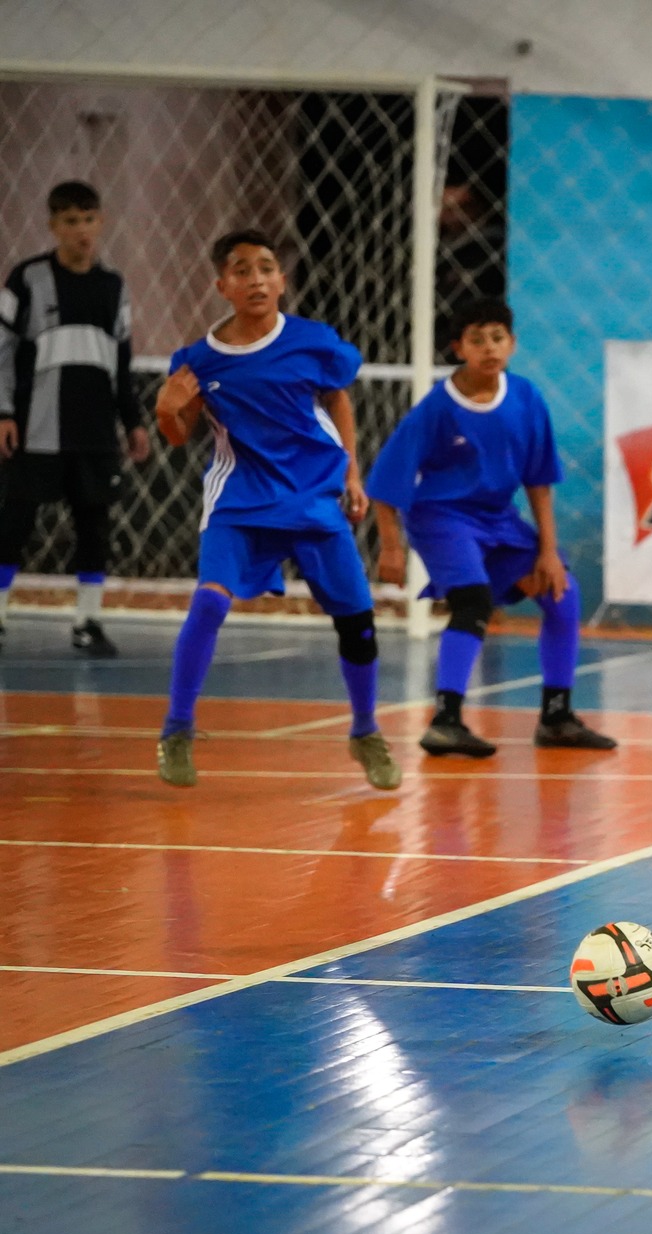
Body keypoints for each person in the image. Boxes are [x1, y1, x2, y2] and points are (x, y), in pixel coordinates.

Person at [152, 229, 400, 791]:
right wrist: (167, 411)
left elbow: (337, 396)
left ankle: (365, 730)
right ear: (223, 286)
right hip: (239, 501)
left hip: (313, 498)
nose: (256, 278)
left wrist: (352, 472)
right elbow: (177, 434)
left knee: (357, 624)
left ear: (281, 280)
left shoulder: (313, 341)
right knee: (210, 604)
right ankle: (176, 730)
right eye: (242, 270)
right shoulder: (197, 360)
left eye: (266, 268)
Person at [367, 298, 614, 756]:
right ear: (458, 347)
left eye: (497, 337)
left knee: (563, 593)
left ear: (512, 344)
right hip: (441, 516)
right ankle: (446, 720)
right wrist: (390, 547)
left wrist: (547, 550)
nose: (489, 347)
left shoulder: (525, 398)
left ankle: (556, 716)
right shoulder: (437, 408)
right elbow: (387, 479)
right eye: (476, 339)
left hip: (498, 519)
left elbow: (539, 482)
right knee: (472, 601)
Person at [0, 181, 151, 656]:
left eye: (88, 219)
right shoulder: (26, 279)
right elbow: (2, 352)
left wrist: (133, 421)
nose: (81, 230)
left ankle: (88, 621)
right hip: (35, 428)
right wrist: (3, 411)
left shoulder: (114, 286)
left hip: (95, 431)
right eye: (69, 221)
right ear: (53, 225)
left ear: (101, 222)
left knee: (95, 526)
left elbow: (121, 363)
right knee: (14, 524)